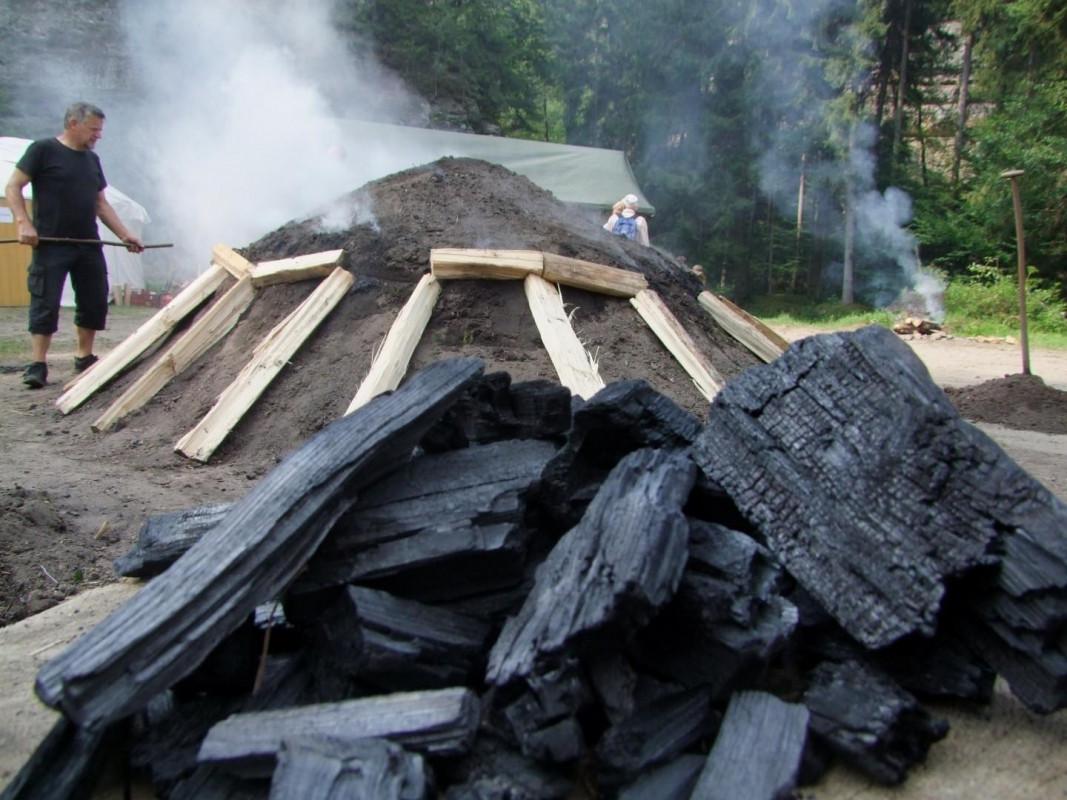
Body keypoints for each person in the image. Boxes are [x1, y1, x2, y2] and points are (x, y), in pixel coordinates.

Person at [4, 101, 144, 389]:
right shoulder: (43, 150)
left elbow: (100, 203)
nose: (98, 135)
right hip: (51, 243)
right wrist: (23, 222)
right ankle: (38, 364)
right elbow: (13, 186)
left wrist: (124, 234)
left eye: (100, 130)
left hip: (87, 243)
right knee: (46, 302)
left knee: (94, 300)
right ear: (72, 124)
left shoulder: (92, 161)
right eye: (93, 129)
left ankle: (84, 357)